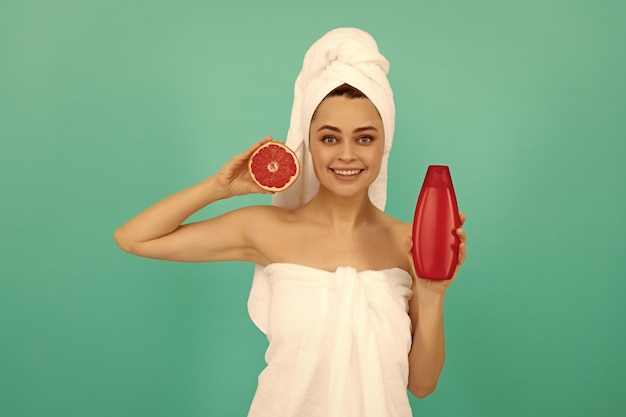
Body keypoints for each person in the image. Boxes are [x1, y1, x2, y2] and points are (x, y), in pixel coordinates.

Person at [114, 27, 467, 417]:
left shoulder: (410, 243)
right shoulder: (268, 229)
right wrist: (218, 187)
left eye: (364, 138)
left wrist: (433, 293)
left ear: (385, 143)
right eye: (329, 139)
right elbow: (134, 239)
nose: (346, 155)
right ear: (309, 142)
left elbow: (421, 385)